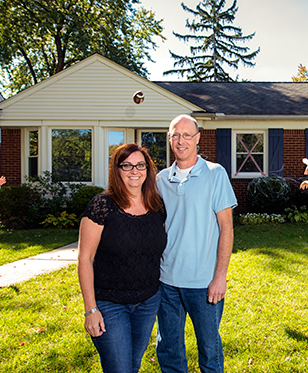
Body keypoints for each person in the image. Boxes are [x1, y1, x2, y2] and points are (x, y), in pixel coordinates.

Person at [156, 114, 237, 373]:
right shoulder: (159, 181)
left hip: (204, 284)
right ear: (169, 139)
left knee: (210, 353)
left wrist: (220, 276)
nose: (181, 141)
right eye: (176, 135)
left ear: (198, 138)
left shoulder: (215, 174)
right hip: (166, 283)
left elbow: (226, 227)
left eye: (187, 135)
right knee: (169, 351)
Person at [77, 143, 167, 373]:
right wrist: (90, 309)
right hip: (109, 304)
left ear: (148, 169)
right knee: (120, 369)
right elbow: (85, 259)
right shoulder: (102, 205)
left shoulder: (157, 206)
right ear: (116, 170)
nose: (134, 171)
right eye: (126, 165)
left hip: (148, 302)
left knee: (133, 365)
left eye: (140, 165)